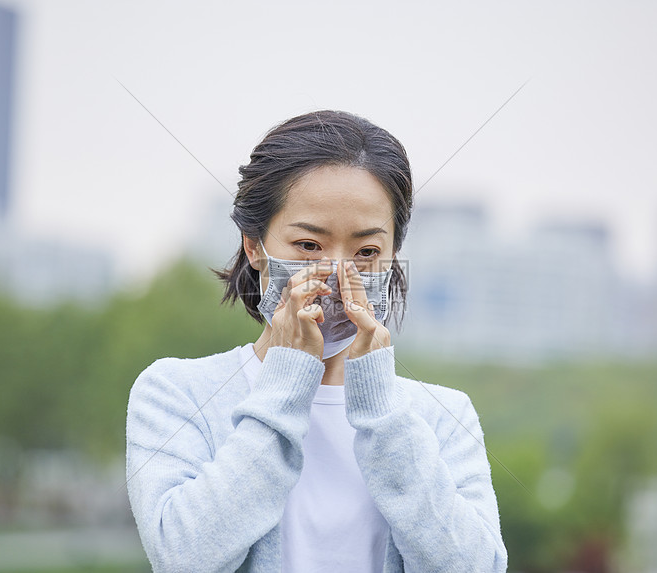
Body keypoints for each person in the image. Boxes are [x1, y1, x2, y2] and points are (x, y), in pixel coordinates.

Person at [125, 110, 507, 573]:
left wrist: (382, 410)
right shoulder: (175, 392)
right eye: (309, 246)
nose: (337, 273)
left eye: (367, 252)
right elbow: (184, 557)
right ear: (253, 245)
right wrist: (286, 380)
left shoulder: (440, 417)